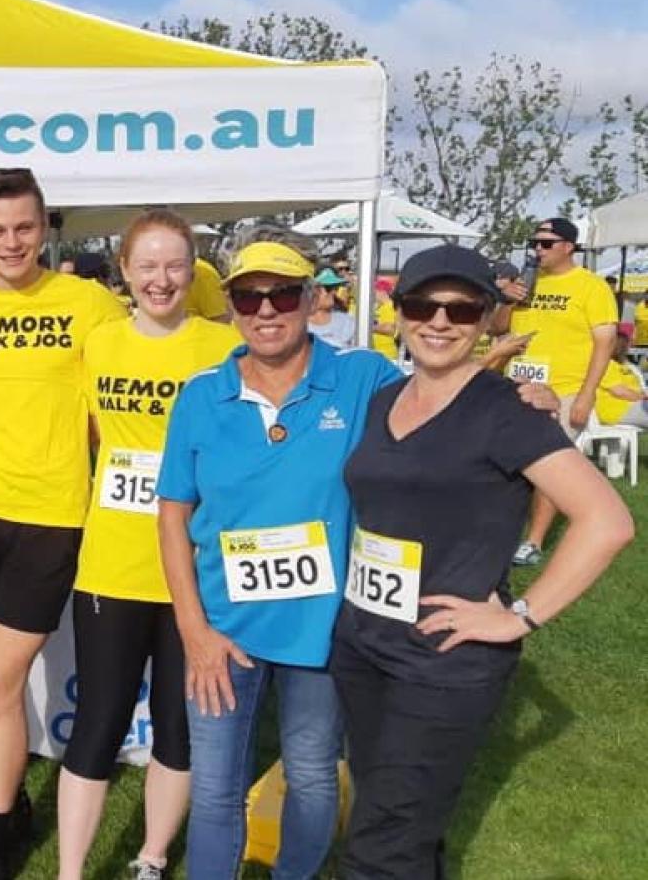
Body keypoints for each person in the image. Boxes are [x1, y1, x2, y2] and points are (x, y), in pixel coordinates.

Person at [333, 244, 633, 878]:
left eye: (462, 309)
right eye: (422, 305)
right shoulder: (386, 400)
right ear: (399, 313)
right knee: (400, 824)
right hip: (365, 644)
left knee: (379, 846)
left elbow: (607, 520)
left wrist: (520, 616)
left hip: (443, 660)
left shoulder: (506, 412)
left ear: (489, 318)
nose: (440, 322)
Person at [156, 228, 402, 879]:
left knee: (315, 776)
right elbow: (173, 512)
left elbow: (438, 398)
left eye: (283, 294)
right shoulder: (201, 395)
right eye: (248, 296)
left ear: (312, 299)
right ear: (232, 304)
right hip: (221, 630)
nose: (265, 310)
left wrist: (512, 394)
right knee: (213, 791)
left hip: (320, 629)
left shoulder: (360, 376)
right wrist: (193, 630)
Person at [0, 167, 128, 879]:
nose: (11, 242)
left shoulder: (90, 304)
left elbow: (128, 393)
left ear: (45, 229)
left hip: (54, 517)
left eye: (24, 227)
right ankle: (14, 807)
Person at [55, 210, 240, 880]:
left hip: (196, 570)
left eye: (174, 266)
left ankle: (152, 857)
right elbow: (81, 430)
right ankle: (70, 871)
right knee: (98, 721)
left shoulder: (222, 349)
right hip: (114, 562)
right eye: (148, 266)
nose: (161, 280)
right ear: (124, 271)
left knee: (177, 722)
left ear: (192, 271)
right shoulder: (99, 343)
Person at [492, 217, 618, 566]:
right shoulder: (526, 282)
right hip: (515, 385)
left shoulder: (590, 286)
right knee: (502, 462)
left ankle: (532, 541)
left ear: (567, 246)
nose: (537, 250)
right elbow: (497, 329)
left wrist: (587, 395)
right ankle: (498, 529)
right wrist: (507, 300)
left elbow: (605, 342)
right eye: (534, 243)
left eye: (546, 244)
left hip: (563, 389)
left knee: (546, 462)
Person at [593, 325, 648, 428]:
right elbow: (619, 391)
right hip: (618, 409)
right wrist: (642, 397)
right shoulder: (606, 365)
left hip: (630, 405)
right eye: (627, 344)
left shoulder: (623, 365)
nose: (630, 347)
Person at [308, 268, 357, 349]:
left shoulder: (348, 322)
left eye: (335, 288)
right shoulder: (297, 325)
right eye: (328, 288)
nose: (334, 292)